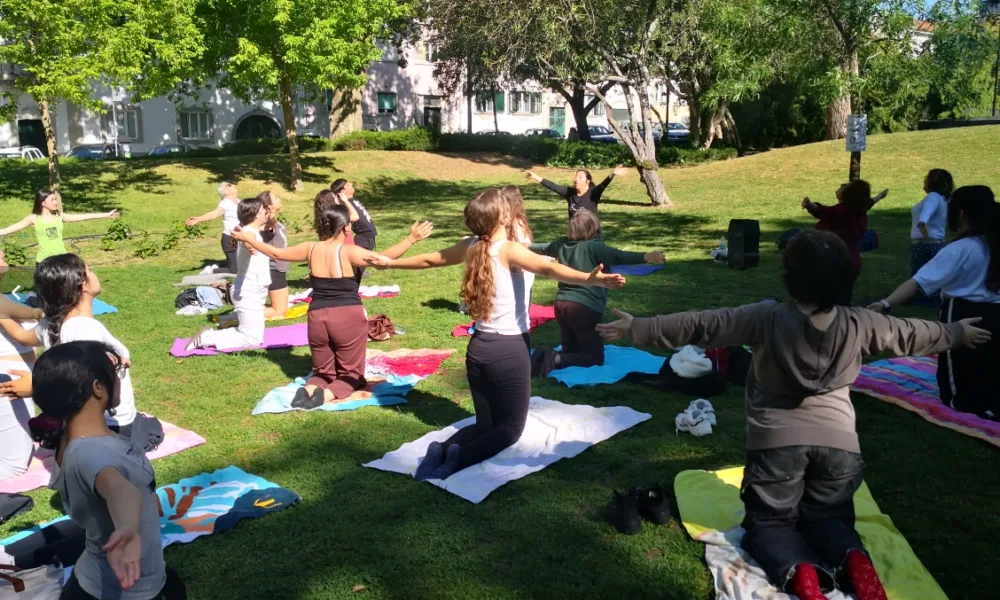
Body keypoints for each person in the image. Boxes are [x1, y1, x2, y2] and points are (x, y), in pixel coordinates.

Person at [595, 230, 989, 600]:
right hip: (839, 448)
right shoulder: (860, 321)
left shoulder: (767, 317)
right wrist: (955, 333)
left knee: (772, 524)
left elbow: (705, 324)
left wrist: (640, 327)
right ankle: (853, 558)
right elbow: (910, 332)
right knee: (831, 518)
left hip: (776, 445)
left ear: (789, 277)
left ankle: (799, 570)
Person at [376, 188, 626, 481]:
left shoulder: (471, 245)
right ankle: (458, 457)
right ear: (503, 217)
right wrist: (588, 278)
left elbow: (430, 260)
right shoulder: (508, 249)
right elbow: (548, 268)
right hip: (509, 352)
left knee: (485, 424)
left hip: (478, 348)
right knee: (508, 431)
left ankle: (440, 450)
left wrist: (390, 262)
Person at [232, 203, 432, 407]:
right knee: (352, 375)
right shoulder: (349, 251)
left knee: (322, 372)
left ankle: (308, 389)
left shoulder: (309, 248)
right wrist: (411, 239)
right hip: (347, 316)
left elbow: (275, 253)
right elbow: (383, 259)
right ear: (346, 227)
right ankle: (327, 396)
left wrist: (248, 238)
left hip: (317, 317)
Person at [29, 341, 186, 600]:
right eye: (116, 373)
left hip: (122, 578)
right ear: (98, 388)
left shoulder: (73, 439)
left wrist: (145, 504)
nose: (120, 378)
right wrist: (127, 528)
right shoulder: (92, 453)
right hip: (118, 589)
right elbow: (119, 490)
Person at [868, 185, 999, 420]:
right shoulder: (994, 244)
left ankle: (973, 404)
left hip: (963, 315)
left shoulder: (961, 249)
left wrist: (885, 304)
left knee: (958, 390)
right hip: (996, 316)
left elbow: (918, 282)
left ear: (960, 214)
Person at [0, 254, 142, 438]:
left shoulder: (54, 322)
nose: (93, 273)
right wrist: (38, 386)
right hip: (107, 426)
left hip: (77, 422)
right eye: (89, 270)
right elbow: (78, 382)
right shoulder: (84, 328)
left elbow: (23, 337)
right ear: (84, 285)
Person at [529, 209, 665, 374]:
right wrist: (647, 256)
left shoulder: (562, 244)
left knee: (571, 352)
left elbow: (541, 248)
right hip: (584, 308)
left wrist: (519, 246)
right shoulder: (594, 247)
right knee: (594, 358)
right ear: (592, 228)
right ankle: (553, 358)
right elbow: (619, 256)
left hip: (561, 305)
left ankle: (548, 357)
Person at [187, 197, 271, 352]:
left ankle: (209, 335)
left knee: (254, 334)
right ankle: (207, 338)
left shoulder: (250, 231)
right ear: (255, 214)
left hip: (255, 289)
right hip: (248, 291)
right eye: (263, 209)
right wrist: (250, 245)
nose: (266, 211)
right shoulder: (248, 233)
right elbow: (248, 240)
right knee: (253, 338)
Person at [801, 181, 887, 305]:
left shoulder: (842, 212)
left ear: (849, 193)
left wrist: (809, 205)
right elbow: (870, 202)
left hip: (835, 263)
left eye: (845, 186)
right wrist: (880, 196)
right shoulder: (860, 210)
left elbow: (821, 210)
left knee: (828, 302)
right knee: (843, 300)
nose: (841, 185)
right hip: (852, 262)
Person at [0, 254, 43, 480]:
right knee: (15, 466)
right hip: (9, 388)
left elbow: (23, 315)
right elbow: (28, 332)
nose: (2, 253)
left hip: (18, 387)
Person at [0, 189, 119, 264]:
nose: (56, 202)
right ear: (43, 202)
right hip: (44, 261)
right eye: (52, 200)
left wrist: (106, 215)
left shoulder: (60, 216)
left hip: (62, 259)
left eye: (56, 199)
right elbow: (7, 230)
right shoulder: (33, 219)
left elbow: (84, 216)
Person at [525, 165, 630, 228]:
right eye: (576, 177)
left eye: (580, 177)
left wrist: (612, 174)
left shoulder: (593, 193)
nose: (576, 179)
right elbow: (553, 186)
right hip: (575, 234)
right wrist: (535, 177)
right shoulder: (570, 193)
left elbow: (603, 185)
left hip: (592, 236)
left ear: (587, 181)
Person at [909, 169, 954, 306]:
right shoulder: (942, 199)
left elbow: (928, 209)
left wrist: (922, 223)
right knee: (931, 271)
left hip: (925, 242)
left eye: (926, 178)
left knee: (921, 272)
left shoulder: (933, 197)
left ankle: (925, 299)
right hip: (934, 242)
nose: (924, 181)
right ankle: (923, 297)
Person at [185, 182, 240, 274]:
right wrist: (199, 219)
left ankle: (229, 263)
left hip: (241, 238)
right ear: (225, 192)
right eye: (229, 185)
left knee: (245, 265)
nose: (232, 185)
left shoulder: (239, 201)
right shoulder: (225, 204)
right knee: (235, 270)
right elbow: (214, 214)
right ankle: (211, 270)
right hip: (230, 239)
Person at [331, 179, 377, 282]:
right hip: (363, 237)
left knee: (359, 264)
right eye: (347, 184)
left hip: (368, 237)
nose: (351, 184)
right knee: (356, 265)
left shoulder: (353, 201)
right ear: (343, 191)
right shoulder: (345, 206)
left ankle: (351, 284)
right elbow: (350, 220)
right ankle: (350, 286)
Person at [256, 192, 290, 319]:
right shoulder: (266, 223)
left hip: (278, 268)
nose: (279, 199)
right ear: (269, 206)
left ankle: (247, 310)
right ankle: (244, 313)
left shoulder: (269, 222)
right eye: (275, 198)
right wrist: (271, 214)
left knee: (280, 309)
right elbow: (271, 223)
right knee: (279, 312)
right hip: (274, 269)